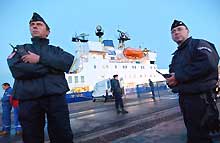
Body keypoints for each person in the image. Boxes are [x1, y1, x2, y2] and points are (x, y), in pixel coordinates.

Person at [7, 12, 74, 143]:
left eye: (39, 24)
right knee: (31, 137)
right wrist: (53, 67)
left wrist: (39, 59)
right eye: (32, 24)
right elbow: (17, 70)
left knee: (62, 134)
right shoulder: (21, 49)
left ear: (48, 31)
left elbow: (70, 63)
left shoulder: (56, 50)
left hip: (55, 98)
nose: (35, 27)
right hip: (28, 99)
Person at [167, 20, 219, 143]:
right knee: (193, 132)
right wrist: (171, 81)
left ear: (187, 31)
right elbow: (174, 73)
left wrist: (178, 77)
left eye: (179, 29)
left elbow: (208, 63)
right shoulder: (177, 55)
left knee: (203, 134)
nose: (176, 32)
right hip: (185, 98)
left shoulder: (199, 44)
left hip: (201, 99)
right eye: (173, 31)